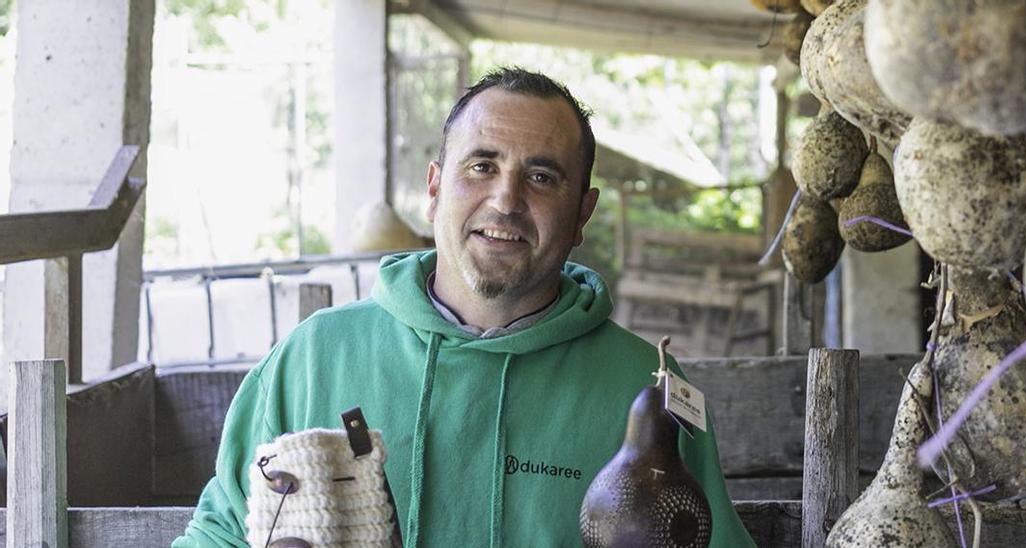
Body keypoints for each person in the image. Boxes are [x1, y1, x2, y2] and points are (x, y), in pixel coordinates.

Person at [174, 67, 756, 547]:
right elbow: (220, 531)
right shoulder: (312, 357)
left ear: (582, 213)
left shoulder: (645, 386)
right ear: (433, 190)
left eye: (542, 176)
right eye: (482, 166)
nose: (506, 199)